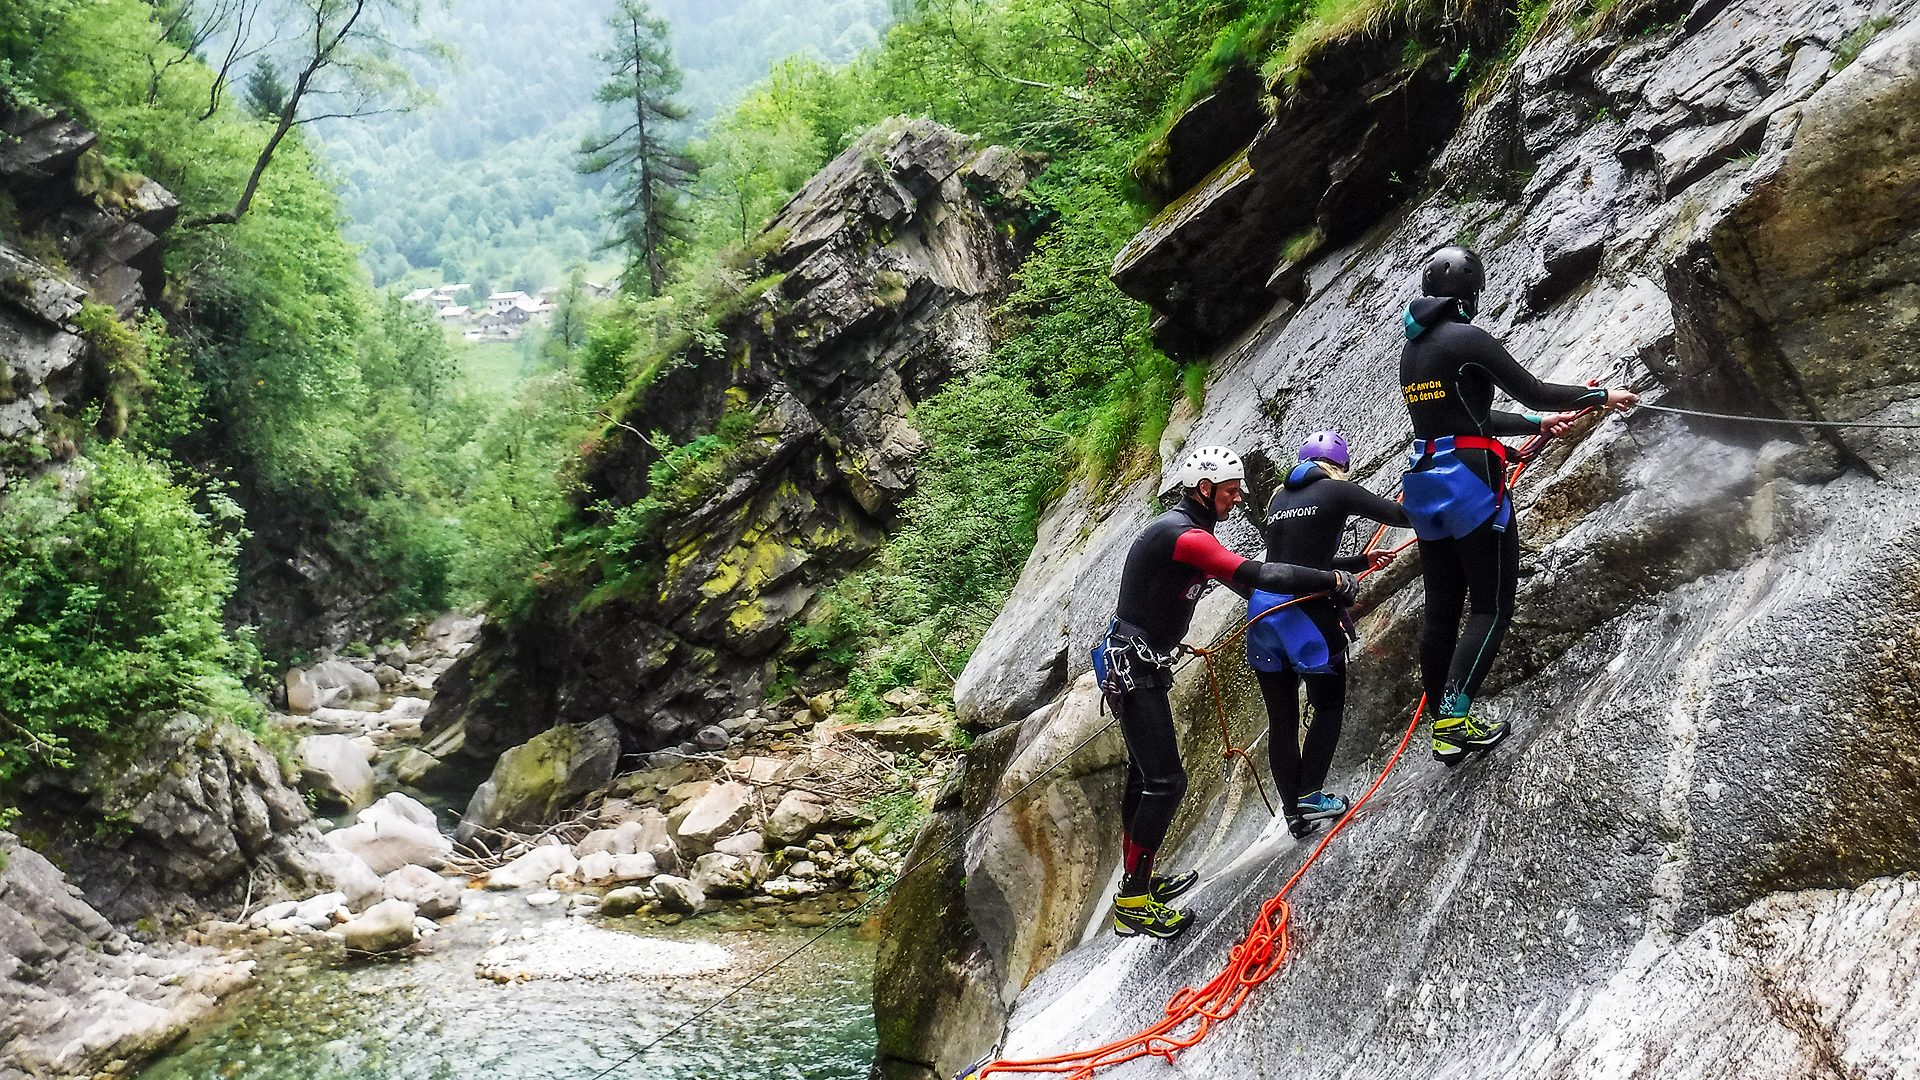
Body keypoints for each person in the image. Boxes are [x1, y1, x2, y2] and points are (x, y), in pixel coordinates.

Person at [1094, 444, 1357, 939]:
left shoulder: (1191, 533)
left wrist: (1344, 568)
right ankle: (1132, 901)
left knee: (1144, 776)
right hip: (1133, 666)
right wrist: (1331, 579)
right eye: (1231, 492)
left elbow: (1251, 586)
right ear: (1205, 489)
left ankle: (1140, 881)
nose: (1237, 500)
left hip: (1134, 662)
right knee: (1165, 781)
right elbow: (1257, 574)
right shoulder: (1182, 535)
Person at [1399, 245, 1637, 764]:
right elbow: (1532, 390)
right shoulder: (1467, 338)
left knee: (1441, 608)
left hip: (1425, 484)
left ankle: (1442, 718)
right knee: (1491, 605)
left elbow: (1463, 418)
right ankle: (1454, 721)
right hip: (1470, 484)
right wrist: (1600, 397)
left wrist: (1534, 427)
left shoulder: (1414, 351)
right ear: (1470, 290)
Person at [1248, 430, 1408, 839]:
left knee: (1281, 719)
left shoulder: (1279, 498)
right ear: (1339, 465)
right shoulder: (1338, 491)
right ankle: (1311, 796)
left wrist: (1359, 559)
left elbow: (1294, 558)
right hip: (1305, 614)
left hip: (1263, 611)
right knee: (1329, 705)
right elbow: (1400, 514)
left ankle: (1294, 813)